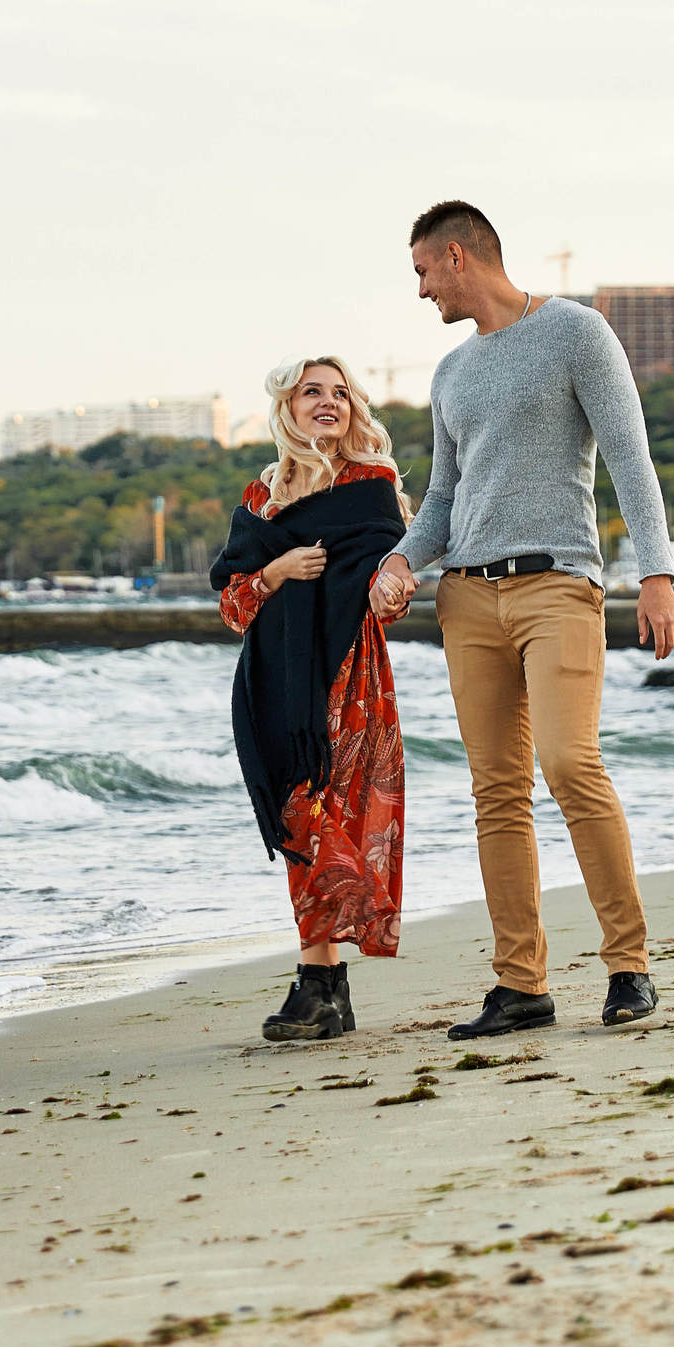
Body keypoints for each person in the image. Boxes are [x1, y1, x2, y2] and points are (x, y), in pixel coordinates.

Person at [368, 200, 674, 1039]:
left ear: (459, 255)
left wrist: (657, 573)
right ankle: (522, 985)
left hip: (558, 586)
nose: (422, 291)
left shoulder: (577, 333)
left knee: (569, 763)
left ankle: (629, 964)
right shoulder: (449, 375)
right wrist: (403, 560)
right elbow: (443, 496)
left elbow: (629, 455)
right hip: (467, 598)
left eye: (423, 272)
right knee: (497, 793)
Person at [212, 356, 412, 1042]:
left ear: (354, 408)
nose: (328, 403)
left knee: (322, 815)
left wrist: (390, 589)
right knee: (299, 817)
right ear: (287, 407)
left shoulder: (368, 483)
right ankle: (325, 988)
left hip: (346, 678)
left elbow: (385, 584)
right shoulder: (261, 498)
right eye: (312, 392)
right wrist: (275, 570)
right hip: (273, 684)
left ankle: (317, 983)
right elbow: (234, 606)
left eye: (340, 393)